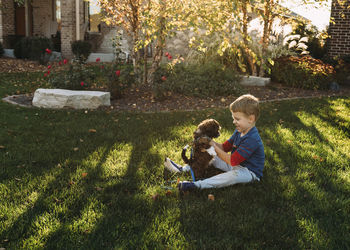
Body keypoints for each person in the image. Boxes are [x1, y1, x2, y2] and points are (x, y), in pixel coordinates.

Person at [164, 94, 265, 191]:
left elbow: (232, 160)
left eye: (237, 119)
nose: (234, 122)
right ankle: (184, 169)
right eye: (233, 118)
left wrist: (213, 146)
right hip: (234, 165)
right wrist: (209, 143)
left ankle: (197, 185)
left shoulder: (252, 139)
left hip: (249, 172)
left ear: (251, 119)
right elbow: (225, 147)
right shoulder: (239, 131)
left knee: (232, 176)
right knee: (209, 153)